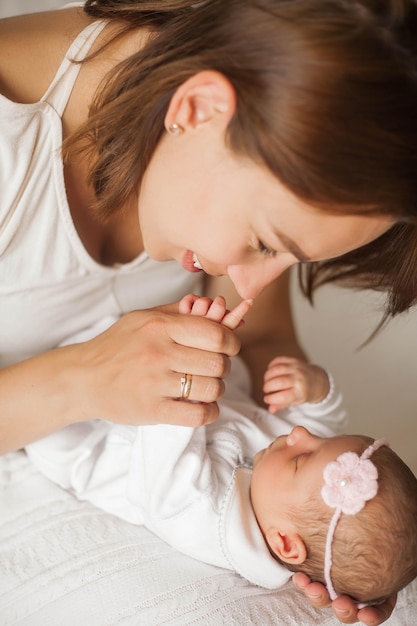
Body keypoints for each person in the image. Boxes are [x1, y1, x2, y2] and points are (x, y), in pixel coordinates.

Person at [1, 0, 417, 622]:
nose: (246, 281)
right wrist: (81, 379)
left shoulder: (260, 106)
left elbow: (267, 340)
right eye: (267, 241)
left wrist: (339, 551)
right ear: (197, 109)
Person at [25, 294, 417, 609]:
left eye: (301, 457)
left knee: (57, 434)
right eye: (318, 440)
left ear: (284, 544)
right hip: (188, 394)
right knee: (238, 374)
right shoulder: (291, 491)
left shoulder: (208, 520)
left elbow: (165, 459)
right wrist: (316, 390)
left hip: (95, 435)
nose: (300, 433)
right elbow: (329, 424)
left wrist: (191, 361)